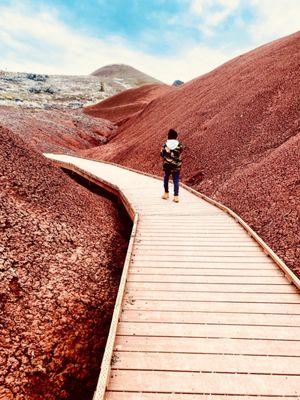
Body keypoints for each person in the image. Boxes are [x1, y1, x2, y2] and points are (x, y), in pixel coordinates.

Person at [160, 128, 183, 202]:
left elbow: (162, 154)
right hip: (176, 165)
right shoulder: (179, 145)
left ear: (168, 136)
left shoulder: (165, 145)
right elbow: (180, 151)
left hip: (167, 165)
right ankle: (176, 196)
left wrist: (168, 154)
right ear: (176, 136)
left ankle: (166, 193)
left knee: (166, 178)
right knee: (176, 180)